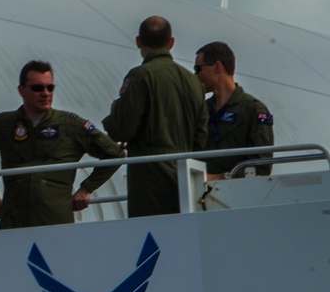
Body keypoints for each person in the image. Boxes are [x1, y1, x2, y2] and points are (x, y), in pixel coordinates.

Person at [0, 61, 123, 229]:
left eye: (50, 88)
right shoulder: (3, 124)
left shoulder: (70, 125)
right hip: (14, 222)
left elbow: (115, 154)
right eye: (37, 88)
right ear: (21, 90)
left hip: (55, 223)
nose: (45, 93)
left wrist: (86, 188)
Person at [103, 16, 208, 217]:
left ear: (138, 41)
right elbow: (201, 137)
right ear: (171, 42)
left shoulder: (139, 76)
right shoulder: (194, 83)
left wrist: (115, 112)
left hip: (149, 186)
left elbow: (121, 129)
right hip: (185, 184)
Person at [194, 41, 273, 179]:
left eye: (198, 69)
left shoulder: (253, 110)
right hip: (198, 193)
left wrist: (221, 178)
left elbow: (262, 166)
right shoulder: (200, 109)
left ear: (217, 67)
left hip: (236, 195)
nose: (196, 76)